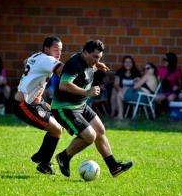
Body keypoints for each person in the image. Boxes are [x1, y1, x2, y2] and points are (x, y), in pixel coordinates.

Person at [51, 40, 133, 178]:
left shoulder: (88, 60)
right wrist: (87, 92)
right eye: (95, 57)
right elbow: (64, 85)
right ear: (85, 53)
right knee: (89, 136)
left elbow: (88, 66)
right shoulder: (74, 64)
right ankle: (63, 157)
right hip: (64, 107)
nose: (97, 60)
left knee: (100, 130)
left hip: (80, 105)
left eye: (100, 57)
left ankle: (114, 167)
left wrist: (96, 64)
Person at [12, 36, 64, 175]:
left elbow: (26, 62)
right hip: (24, 104)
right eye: (56, 49)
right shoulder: (47, 59)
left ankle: (41, 155)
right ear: (46, 49)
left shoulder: (37, 56)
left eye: (61, 50)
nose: (59, 53)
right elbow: (62, 70)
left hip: (35, 101)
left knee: (60, 123)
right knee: (57, 130)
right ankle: (44, 164)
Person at [111, 55, 141, 119]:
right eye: (126, 62)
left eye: (130, 62)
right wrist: (120, 90)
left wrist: (127, 90)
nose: (128, 64)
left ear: (132, 63)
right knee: (114, 91)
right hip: (121, 90)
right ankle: (114, 112)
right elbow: (116, 84)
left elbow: (137, 85)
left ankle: (124, 114)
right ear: (123, 63)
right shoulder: (120, 71)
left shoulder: (136, 72)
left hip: (132, 91)